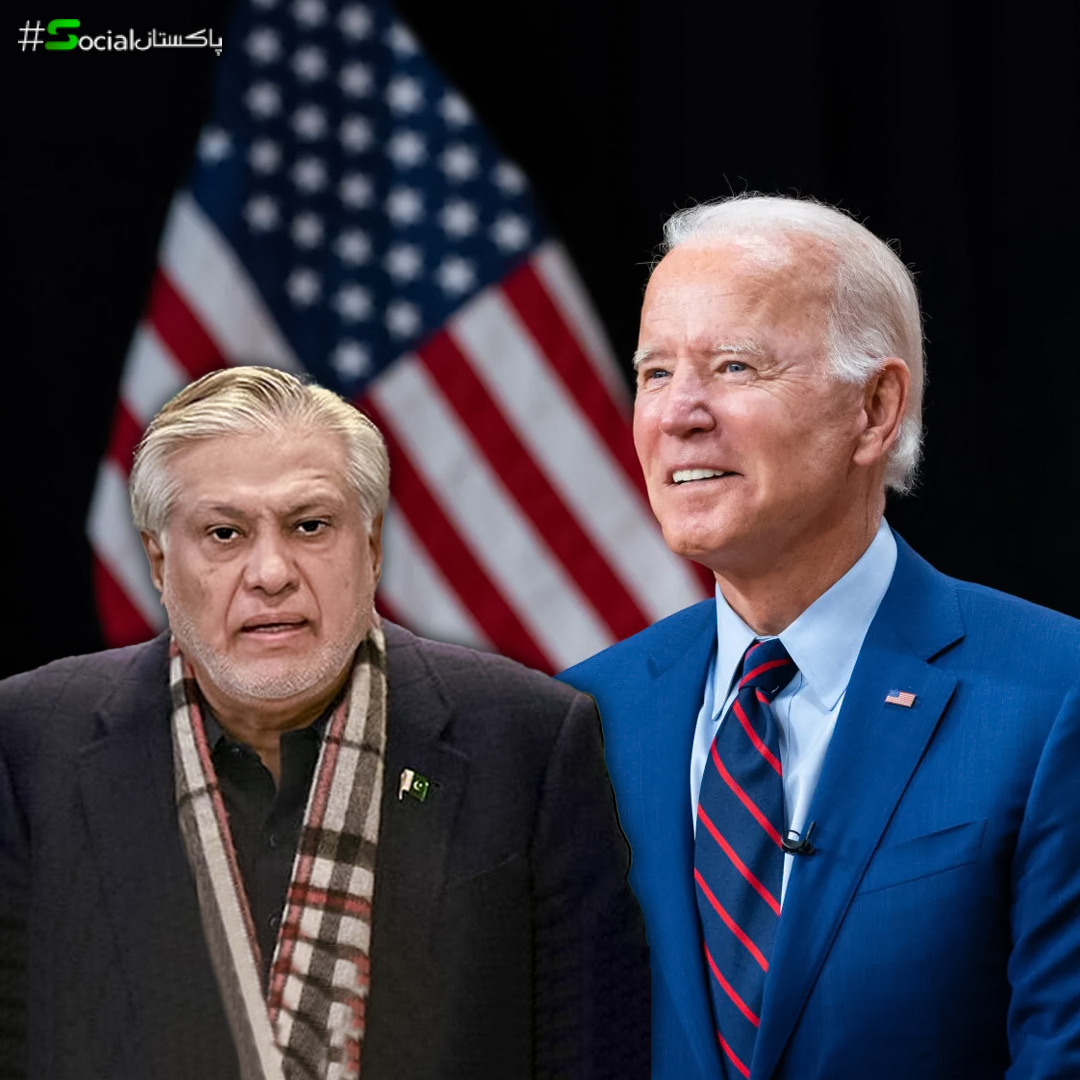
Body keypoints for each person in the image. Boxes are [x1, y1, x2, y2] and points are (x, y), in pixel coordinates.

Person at [0, 367, 648, 1080]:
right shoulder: (29, 741)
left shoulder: (530, 740)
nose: (271, 572)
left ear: (371, 546)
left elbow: (594, 1056)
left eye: (310, 526)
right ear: (159, 562)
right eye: (224, 533)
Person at [559, 195, 1080, 1080]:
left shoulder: (1053, 694)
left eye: (734, 366)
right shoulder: (584, 717)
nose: (678, 413)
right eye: (654, 372)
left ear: (874, 408)